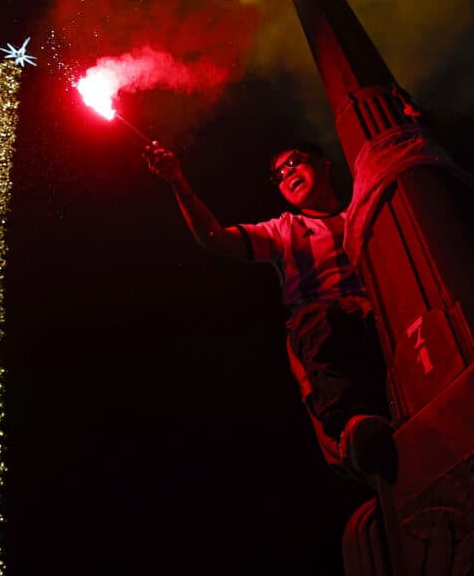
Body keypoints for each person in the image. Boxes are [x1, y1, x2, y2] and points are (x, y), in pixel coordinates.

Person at [144, 140, 395, 484]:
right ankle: (352, 425)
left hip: (382, 319)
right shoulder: (283, 230)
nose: (287, 172)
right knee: (317, 319)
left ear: (325, 164)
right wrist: (178, 181)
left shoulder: (363, 214)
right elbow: (214, 238)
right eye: (278, 174)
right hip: (327, 330)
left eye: (295, 161)